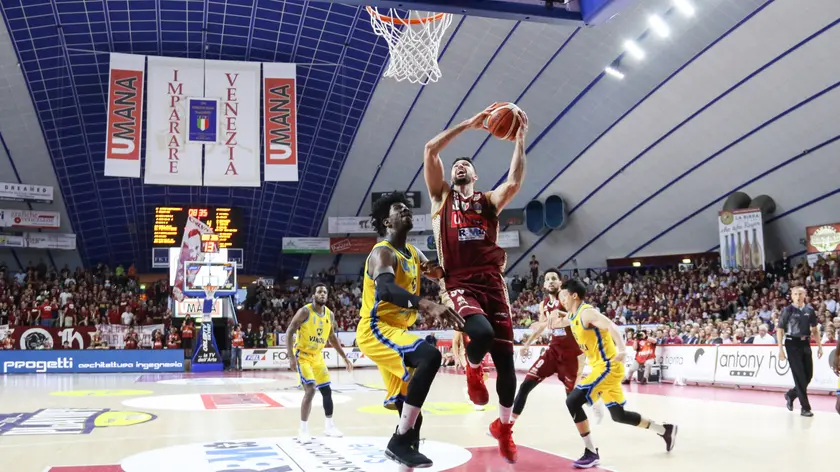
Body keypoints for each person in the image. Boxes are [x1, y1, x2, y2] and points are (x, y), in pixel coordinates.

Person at [423, 104, 528, 463]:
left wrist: (520, 140)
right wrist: (469, 123)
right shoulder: (441, 199)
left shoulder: (488, 203)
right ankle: (471, 368)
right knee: (480, 334)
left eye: (465, 165)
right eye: (456, 166)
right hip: (458, 283)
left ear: (476, 175)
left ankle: (503, 428)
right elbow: (430, 150)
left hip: (493, 283)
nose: (459, 167)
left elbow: (514, 182)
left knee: (507, 363)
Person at [356, 191, 465, 468]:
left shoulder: (413, 253)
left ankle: (405, 454)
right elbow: (386, 289)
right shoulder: (383, 252)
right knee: (430, 356)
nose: (405, 210)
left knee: (411, 410)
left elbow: (437, 271)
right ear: (386, 221)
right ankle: (399, 441)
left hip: (396, 329)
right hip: (376, 327)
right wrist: (427, 304)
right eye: (398, 208)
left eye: (407, 207)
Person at [560, 278, 677, 468]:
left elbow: (611, 326)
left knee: (572, 401)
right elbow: (559, 319)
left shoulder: (586, 313)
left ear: (574, 295)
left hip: (608, 366)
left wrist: (622, 349)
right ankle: (665, 430)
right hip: (600, 367)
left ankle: (591, 452)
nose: (562, 300)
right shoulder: (572, 317)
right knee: (619, 415)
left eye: (564, 296)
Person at [498, 269, 604, 432]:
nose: (551, 281)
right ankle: (506, 428)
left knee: (572, 397)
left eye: (554, 278)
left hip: (573, 352)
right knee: (526, 385)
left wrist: (559, 319)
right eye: (547, 279)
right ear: (544, 284)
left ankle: (594, 399)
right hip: (553, 350)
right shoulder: (544, 304)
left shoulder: (565, 296)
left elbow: (576, 317)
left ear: (560, 283)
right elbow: (543, 326)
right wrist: (527, 343)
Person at [286, 284, 354, 444]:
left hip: (317, 357)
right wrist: (291, 357)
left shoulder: (329, 315)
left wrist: (344, 357)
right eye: (319, 292)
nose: (322, 294)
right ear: (313, 295)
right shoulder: (305, 311)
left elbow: (332, 338)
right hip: (303, 355)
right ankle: (302, 430)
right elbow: (290, 330)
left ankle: (329, 426)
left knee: (327, 391)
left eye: (325, 292)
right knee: (310, 390)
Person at [777, 286, 823, 417]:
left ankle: (791, 394)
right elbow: (780, 330)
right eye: (795, 294)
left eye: (800, 294)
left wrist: (819, 346)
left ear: (805, 295)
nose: (798, 296)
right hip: (792, 343)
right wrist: (780, 349)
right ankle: (805, 407)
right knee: (799, 376)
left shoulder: (810, 310)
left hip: (805, 342)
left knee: (808, 375)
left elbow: (814, 329)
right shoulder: (787, 310)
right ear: (792, 296)